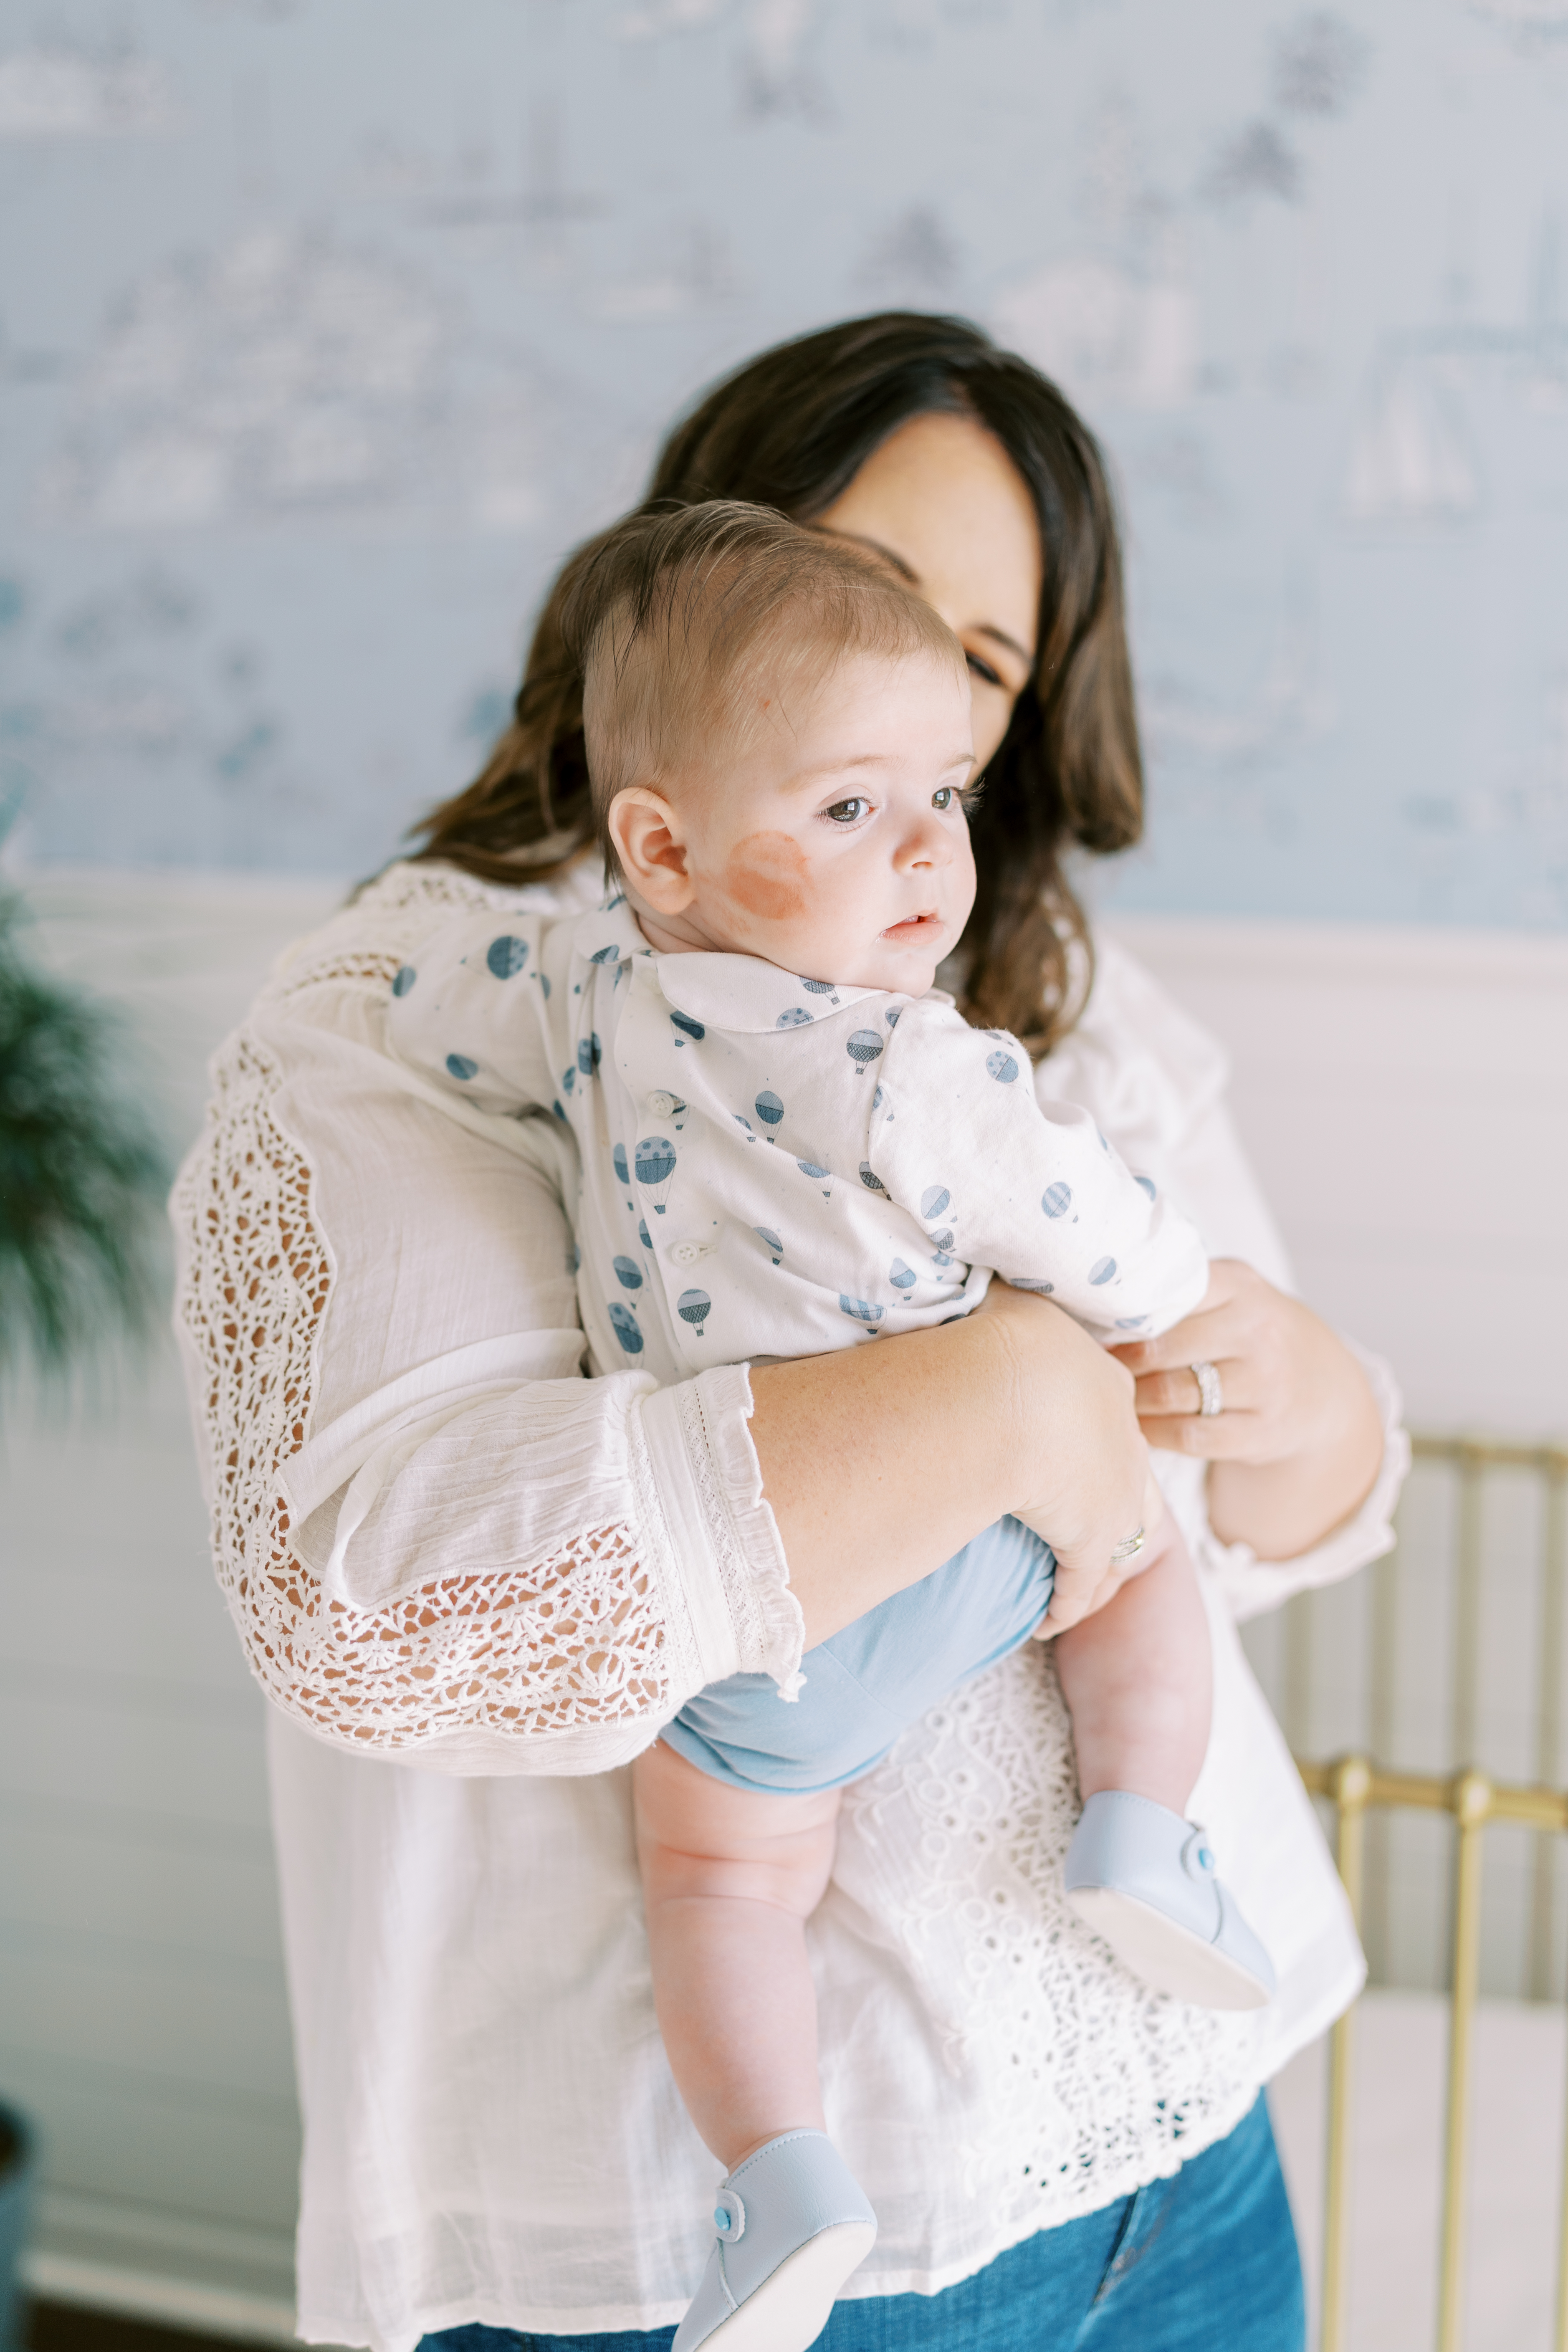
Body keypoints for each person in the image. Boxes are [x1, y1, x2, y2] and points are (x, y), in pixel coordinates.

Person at [171, 313, 1404, 2352]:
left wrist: (1323, 1399)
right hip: (688, 2267)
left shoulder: (1061, 1004)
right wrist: (1007, 1395)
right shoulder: (427, 1006)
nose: (913, 677)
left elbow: (1283, 1513)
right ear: (702, 558)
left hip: (1179, 2167)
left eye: (982, 671)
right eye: (865, 581)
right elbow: (381, 1610)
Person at [386, 498, 1275, 2349]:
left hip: (758, 1626)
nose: (928, 857)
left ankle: (779, 2169)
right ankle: (1139, 1819)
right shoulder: (921, 1070)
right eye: (853, 807)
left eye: (944, 792)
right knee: (1137, 1571)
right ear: (664, 839)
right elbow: (1095, 1235)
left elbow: (424, 1023)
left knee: (713, 1878)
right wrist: (1177, 1296)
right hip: (984, 1549)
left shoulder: (585, 1000)